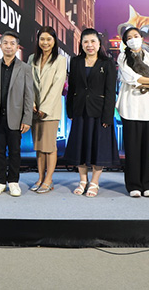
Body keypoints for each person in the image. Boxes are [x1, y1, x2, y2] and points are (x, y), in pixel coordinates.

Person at [64, 28, 118, 198]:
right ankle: (82, 180)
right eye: (85, 41)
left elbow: (110, 91)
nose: (89, 45)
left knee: (98, 147)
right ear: (81, 44)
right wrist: (70, 109)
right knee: (79, 146)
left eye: (93, 41)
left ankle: (94, 182)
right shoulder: (75, 61)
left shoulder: (107, 63)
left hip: (99, 111)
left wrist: (108, 115)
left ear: (99, 43)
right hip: (80, 110)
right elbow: (72, 87)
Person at [116, 26, 149, 198]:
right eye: (129, 38)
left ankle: (148, 185)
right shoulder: (123, 57)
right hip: (130, 107)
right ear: (125, 42)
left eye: (136, 36)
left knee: (148, 148)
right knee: (132, 148)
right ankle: (134, 185)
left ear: (142, 38)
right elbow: (130, 78)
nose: (133, 39)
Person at [0, 31, 34, 197]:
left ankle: (13, 181)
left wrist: (27, 118)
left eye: (12, 43)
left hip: (16, 117)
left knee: (15, 151)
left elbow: (29, 95)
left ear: (17, 47)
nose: (8, 46)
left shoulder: (25, 68)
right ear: (0, 46)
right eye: (5, 43)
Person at [27, 26, 66, 193]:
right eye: (42, 39)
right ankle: (40, 177)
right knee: (39, 146)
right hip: (34, 109)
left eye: (49, 39)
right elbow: (28, 82)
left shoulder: (60, 60)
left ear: (54, 41)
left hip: (50, 109)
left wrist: (44, 108)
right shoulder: (32, 58)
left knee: (49, 146)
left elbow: (57, 86)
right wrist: (32, 104)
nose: (45, 42)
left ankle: (49, 179)